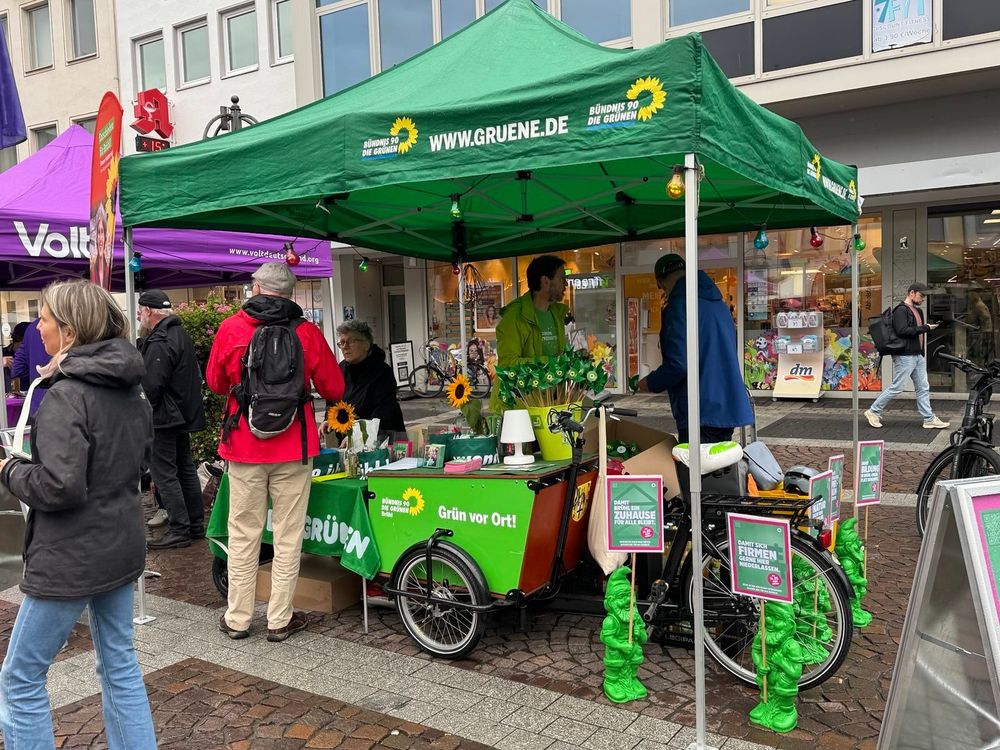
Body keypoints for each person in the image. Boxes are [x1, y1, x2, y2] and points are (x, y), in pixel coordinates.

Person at [0, 280, 157, 748]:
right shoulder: (130, 388)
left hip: (71, 554)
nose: (38, 328)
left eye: (44, 319)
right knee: (119, 663)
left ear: (68, 331)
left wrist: (9, 468)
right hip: (120, 541)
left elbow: (60, 486)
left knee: (21, 677)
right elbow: (137, 465)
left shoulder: (68, 395)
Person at [207, 263, 343, 642]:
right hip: (294, 447)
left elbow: (215, 382)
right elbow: (334, 387)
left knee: (244, 533)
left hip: (244, 447)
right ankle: (280, 619)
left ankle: (237, 618)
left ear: (256, 287)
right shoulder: (307, 331)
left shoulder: (232, 328)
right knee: (288, 534)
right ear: (291, 292)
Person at [637, 254, 753, 443]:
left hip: (700, 407)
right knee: (720, 468)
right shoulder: (718, 305)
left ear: (661, 282)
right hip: (725, 404)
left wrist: (650, 382)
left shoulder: (679, 307)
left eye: (662, 288)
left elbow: (679, 364)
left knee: (695, 470)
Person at [138, 290, 207, 550]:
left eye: (140, 309)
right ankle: (195, 523)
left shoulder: (160, 340)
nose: (139, 314)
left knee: (165, 473)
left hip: (164, 417)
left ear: (149, 311)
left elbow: (151, 386)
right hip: (180, 414)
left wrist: (144, 411)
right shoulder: (179, 334)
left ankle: (180, 529)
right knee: (185, 469)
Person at [864, 282, 949, 429]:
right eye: (921, 295)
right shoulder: (900, 310)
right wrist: (925, 328)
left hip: (917, 355)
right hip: (905, 355)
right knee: (897, 386)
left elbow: (914, 331)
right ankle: (873, 411)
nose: (923, 299)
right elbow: (902, 331)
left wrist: (925, 329)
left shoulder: (918, 311)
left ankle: (929, 418)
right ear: (912, 293)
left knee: (923, 387)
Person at [334, 319, 404, 434]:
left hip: (381, 438)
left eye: (350, 341)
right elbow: (333, 399)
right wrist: (329, 419)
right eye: (341, 343)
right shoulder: (341, 368)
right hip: (348, 438)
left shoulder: (382, 372)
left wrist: (358, 435)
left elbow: (383, 411)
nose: (345, 347)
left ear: (366, 345)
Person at [496, 255, 568, 366]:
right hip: (524, 384)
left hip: (551, 384)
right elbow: (508, 364)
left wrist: (573, 358)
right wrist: (551, 362)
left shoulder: (557, 313)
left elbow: (558, 358)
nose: (566, 284)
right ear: (545, 281)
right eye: (562, 279)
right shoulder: (514, 317)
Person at [10, 319, 52, 415]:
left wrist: (34, 372)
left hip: (37, 403)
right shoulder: (71, 322)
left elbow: (17, 370)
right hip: (70, 403)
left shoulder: (32, 328)